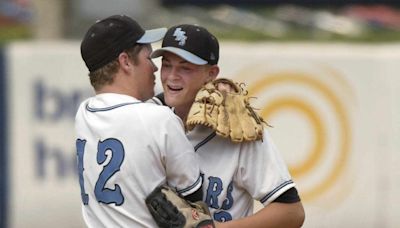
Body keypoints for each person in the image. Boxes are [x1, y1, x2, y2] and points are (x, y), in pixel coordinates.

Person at [150, 24, 305, 227]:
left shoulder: (239, 129)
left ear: (211, 73)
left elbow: (292, 212)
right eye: (167, 64)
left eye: (185, 68)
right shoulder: (150, 117)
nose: (171, 76)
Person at [75, 15, 203, 227]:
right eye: (148, 57)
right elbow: (195, 199)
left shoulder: (84, 113)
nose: (154, 68)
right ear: (125, 61)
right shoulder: (160, 120)